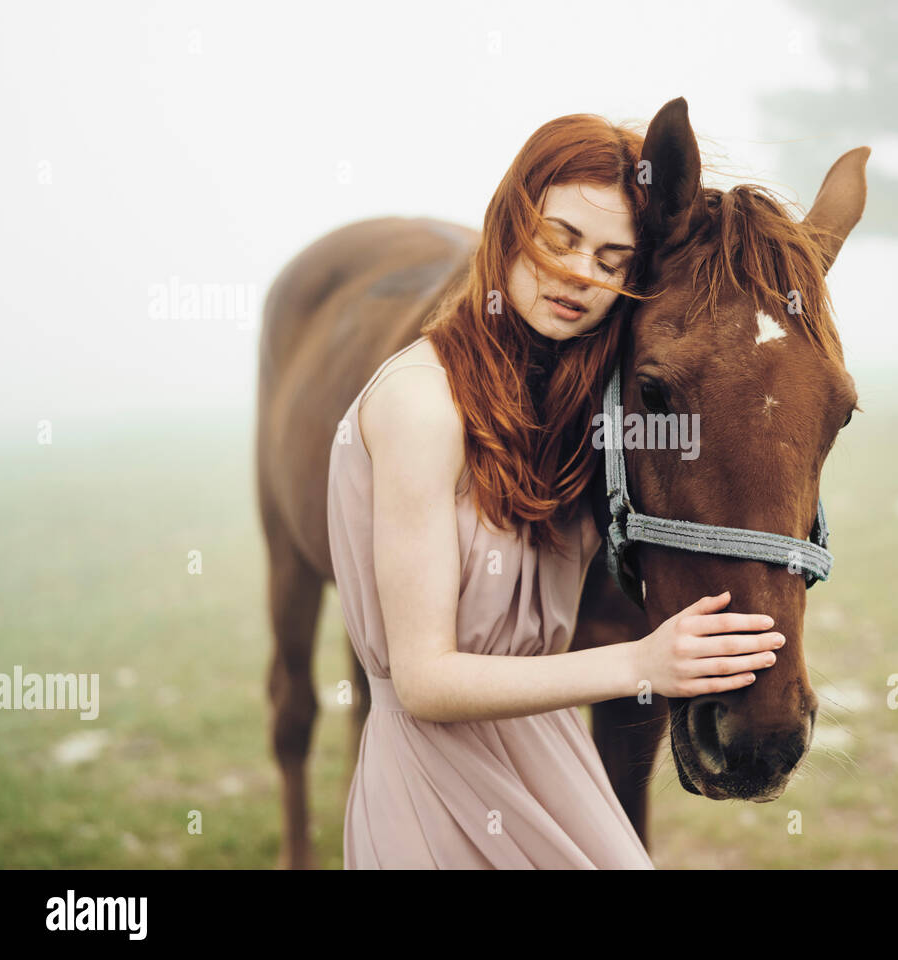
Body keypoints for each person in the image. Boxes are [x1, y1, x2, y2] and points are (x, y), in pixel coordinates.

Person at [326, 113, 785, 868]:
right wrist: (643, 664)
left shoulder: (573, 406)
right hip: (437, 782)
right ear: (509, 225)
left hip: (551, 764)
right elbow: (423, 682)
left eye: (612, 260)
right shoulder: (422, 403)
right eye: (560, 239)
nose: (581, 274)